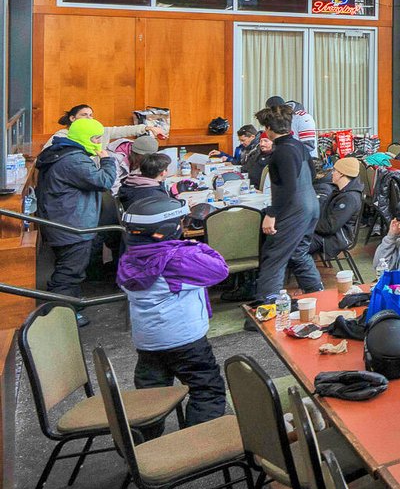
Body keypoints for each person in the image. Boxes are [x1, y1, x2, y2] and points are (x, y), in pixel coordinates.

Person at [116, 183, 230, 431]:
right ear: (168, 230)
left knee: (150, 398)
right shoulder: (178, 259)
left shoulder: (129, 258)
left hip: (147, 341)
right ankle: (198, 442)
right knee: (207, 389)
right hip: (185, 340)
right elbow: (220, 269)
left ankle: (145, 444)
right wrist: (194, 245)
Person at [33, 117, 118, 316]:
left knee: (71, 268)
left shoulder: (61, 151)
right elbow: (104, 181)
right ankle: (61, 314)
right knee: (69, 272)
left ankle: (72, 306)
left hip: (62, 221)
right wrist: (107, 160)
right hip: (72, 226)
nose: (99, 143)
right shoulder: (74, 160)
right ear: (83, 137)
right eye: (96, 138)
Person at [253, 107, 323, 301]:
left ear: (268, 128)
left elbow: (287, 187)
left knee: (274, 255)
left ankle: (267, 303)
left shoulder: (281, 152)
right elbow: (312, 173)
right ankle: (317, 293)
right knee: (298, 252)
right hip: (311, 205)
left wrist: (271, 214)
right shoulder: (299, 146)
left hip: (294, 209)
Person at [309, 157, 365, 259]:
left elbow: (329, 227)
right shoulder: (341, 191)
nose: (332, 173)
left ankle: (307, 268)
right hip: (328, 234)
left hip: (335, 239)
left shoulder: (348, 198)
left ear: (341, 174)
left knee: (295, 247)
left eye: (334, 170)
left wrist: (308, 223)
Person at [56, 103, 152, 143]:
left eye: (91, 115)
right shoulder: (61, 136)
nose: (89, 118)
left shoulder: (101, 132)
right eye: (84, 115)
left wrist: (147, 128)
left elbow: (123, 130)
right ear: (72, 118)